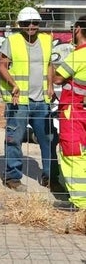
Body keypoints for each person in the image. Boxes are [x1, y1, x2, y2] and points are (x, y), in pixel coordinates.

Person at [0, 7, 54, 191]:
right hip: (19, 101)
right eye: (26, 23)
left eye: (34, 23)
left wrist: (51, 86)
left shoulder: (47, 40)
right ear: (20, 25)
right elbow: (2, 66)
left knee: (48, 138)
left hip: (41, 100)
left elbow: (50, 65)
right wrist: (13, 84)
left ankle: (51, 175)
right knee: (14, 138)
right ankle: (12, 176)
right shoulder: (12, 41)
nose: (31, 26)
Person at [51, 15, 86, 211]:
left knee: (72, 154)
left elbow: (57, 79)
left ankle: (80, 202)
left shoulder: (78, 55)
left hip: (74, 111)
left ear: (79, 29)